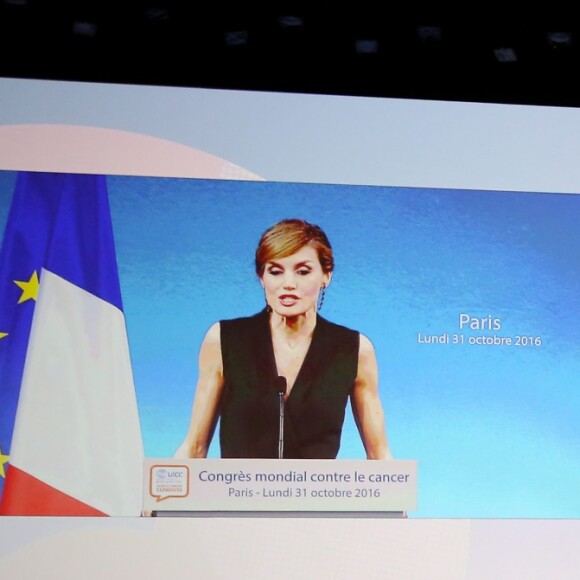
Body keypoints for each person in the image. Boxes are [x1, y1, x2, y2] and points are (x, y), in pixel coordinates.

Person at [175, 219, 391, 460]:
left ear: (326, 275)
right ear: (262, 278)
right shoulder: (225, 340)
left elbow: (379, 455)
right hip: (239, 494)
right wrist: (167, 492)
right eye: (275, 271)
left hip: (316, 495)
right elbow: (194, 448)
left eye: (303, 271)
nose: (288, 284)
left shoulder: (354, 350)